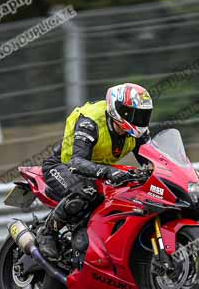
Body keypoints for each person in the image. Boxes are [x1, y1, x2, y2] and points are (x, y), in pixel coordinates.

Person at [38, 83, 153, 259]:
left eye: (144, 115)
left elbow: (152, 160)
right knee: (87, 193)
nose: (140, 119)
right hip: (63, 166)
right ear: (120, 110)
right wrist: (109, 172)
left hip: (96, 170)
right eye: (135, 114)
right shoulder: (90, 122)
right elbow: (77, 162)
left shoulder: (136, 133)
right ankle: (47, 233)